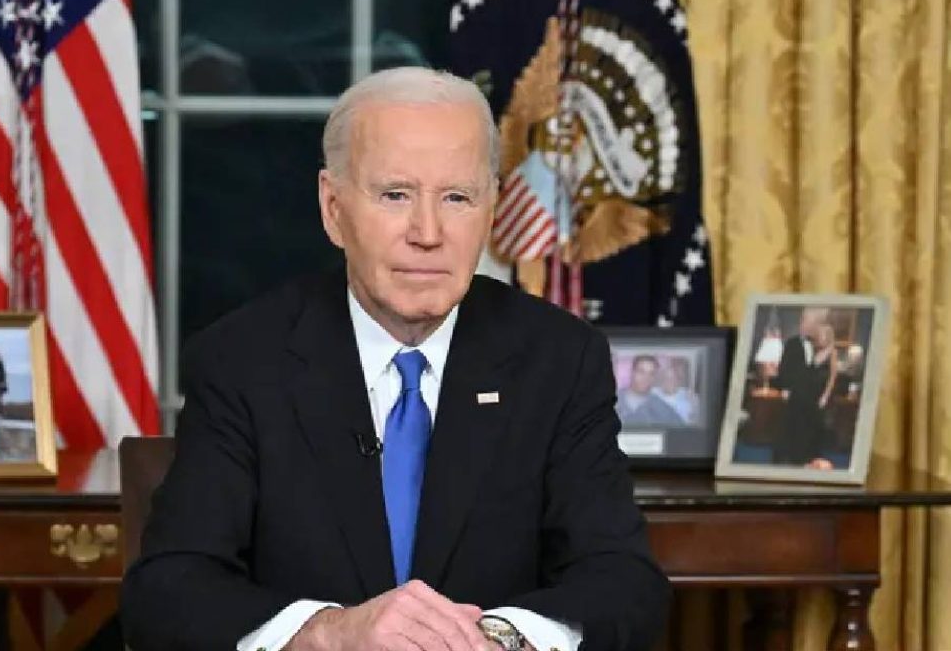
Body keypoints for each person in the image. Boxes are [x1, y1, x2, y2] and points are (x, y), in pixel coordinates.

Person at [121, 68, 668, 651]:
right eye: (395, 195)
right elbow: (167, 591)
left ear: (491, 210)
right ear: (334, 209)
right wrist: (329, 634)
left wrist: (501, 639)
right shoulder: (242, 361)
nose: (428, 233)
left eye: (457, 198)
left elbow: (623, 581)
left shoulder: (560, 359)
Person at [774, 308, 832, 465]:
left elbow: (828, 376)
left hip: (814, 398)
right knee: (793, 432)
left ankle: (810, 461)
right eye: (803, 321)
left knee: (812, 433)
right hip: (797, 396)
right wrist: (785, 388)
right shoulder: (792, 344)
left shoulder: (820, 346)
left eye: (809, 322)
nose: (804, 325)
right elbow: (786, 371)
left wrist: (824, 394)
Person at [614, 355, 685, 427]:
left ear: (655, 378)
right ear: (632, 372)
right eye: (641, 372)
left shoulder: (663, 409)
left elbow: (683, 433)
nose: (646, 378)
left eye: (651, 374)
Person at [653, 358, 698, 425]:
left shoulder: (689, 396)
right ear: (661, 381)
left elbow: (695, 419)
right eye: (666, 378)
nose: (669, 382)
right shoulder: (654, 393)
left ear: (678, 381)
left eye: (672, 378)